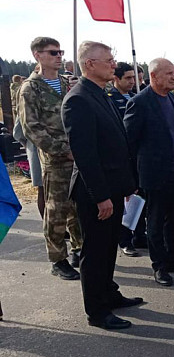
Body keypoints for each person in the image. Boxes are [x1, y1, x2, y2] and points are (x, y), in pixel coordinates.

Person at [62, 40, 142, 330]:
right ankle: (97, 311)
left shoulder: (101, 94)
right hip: (95, 193)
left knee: (109, 247)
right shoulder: (78, 99)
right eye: (107, 59)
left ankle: (109, 293)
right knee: (95, 253)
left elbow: (116, 144)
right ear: (89, 65)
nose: (113, 64)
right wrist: (101, 197)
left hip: (113, 188)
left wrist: (126, 185)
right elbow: (86, 156)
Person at [124, 58, 174, 287]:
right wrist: (132, 179)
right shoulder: (141, 102)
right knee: (155, 222)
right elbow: (130, 143)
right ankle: (159, 266)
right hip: (154, 174)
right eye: (169, 73)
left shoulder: (173, 99)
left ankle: (173, 258)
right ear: (154, 76)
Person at [17, 36, 82, 279]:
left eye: (60, 51)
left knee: (78, 206)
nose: (59, 56)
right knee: (57, 210)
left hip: (78, 156)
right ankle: (58, 258)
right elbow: (31, 127)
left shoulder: (67, 84)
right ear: (38, 55)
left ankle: (79, 247)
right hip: (56, 158)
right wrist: (60, 149)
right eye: (53, 52)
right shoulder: (30, 88)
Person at [107, 62, 147, 257]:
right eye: (129, 78)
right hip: (120, 156)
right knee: (125, 198)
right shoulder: (109, 99)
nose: (134, 81)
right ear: (116, 78)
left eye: (135, 78)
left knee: (140, 196)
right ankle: (124, 238)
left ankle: (140, 234)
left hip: (138, 155)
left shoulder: (136, 97)